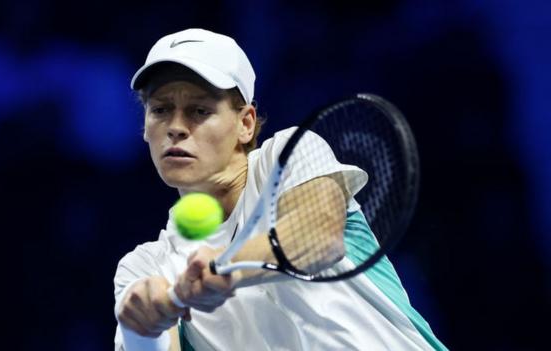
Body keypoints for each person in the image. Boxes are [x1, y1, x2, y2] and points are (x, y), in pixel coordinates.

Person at [113, 28, 447, 351]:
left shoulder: (288, 155)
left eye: (200, 111)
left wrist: (229, 267)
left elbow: (318, 238)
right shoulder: (144, 267)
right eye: (160, 110)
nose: (175, 128)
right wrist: (144, 328)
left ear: (245, 124)